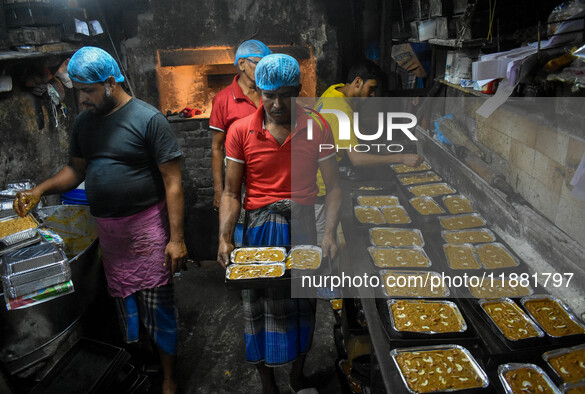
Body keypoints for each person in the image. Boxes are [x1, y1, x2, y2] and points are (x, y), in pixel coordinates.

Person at [13, 46, 186, 394]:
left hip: (147, 231)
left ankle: (168, 378)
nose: (82, 100)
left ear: (110, 82)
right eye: (78, 91)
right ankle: (142, 361)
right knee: (126, 307)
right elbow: (76, 169)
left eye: (88, 91)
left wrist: (177, 238)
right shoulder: (84, 123)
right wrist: (39, 190)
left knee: (158, 307)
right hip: (110, 233)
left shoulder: (148, 119)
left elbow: (173, 181)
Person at [217, 54, 341, 394]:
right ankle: (267, 383)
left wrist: (329, 233)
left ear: (298, 91)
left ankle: (297, 375)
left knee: (302, 305)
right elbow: (230, 192)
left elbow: (334, 189)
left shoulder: (318, 126)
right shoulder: (241, 131)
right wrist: (225, 237)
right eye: (267, 94)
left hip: (302, 225)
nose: (275, 103)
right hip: (259, 229)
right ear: (258, 90)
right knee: (258, 308)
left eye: (284, 95)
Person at [314, 59, 424, 242]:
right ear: (357, 82)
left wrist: (383, 148)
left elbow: (357, 128)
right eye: (371, 88)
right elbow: (357, 159)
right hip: (319, 186)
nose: (373, 95)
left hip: (318, 175)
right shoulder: (340, 109)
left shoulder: (336, 91)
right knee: (325, 243)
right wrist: (401, 158)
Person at [210, 39, 272, 210]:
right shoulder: (223, 100)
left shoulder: (270, 94)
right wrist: (218, 191)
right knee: (241, 222)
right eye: (259, 64)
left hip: (270, 174)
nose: (264, 69)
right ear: (242, 64)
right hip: (238, 173)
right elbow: (217, 148)